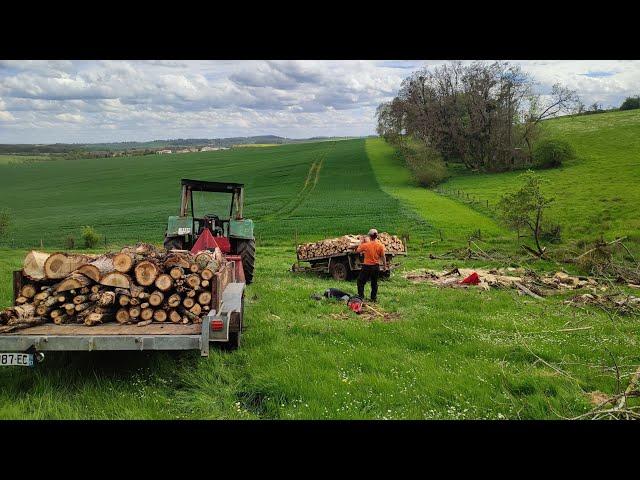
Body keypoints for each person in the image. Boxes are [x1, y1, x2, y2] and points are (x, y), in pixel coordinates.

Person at [355, 228, 387, 302]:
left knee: (360, 282)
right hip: (376, 267)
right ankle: (373, 298)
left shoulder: (366, 245)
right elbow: (383, 257)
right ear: (377, 236)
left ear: (369, 236)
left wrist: (362, 242)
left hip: (367, 267)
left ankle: (361, 297)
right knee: (374, 283)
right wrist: (385, 266)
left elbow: (358, 250)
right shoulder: (380, 245)